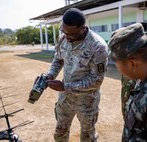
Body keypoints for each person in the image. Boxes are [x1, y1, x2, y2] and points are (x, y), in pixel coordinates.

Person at [45, 8, 108, 142]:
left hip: (87, 103)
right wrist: (50, 75)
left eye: (71, 34)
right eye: (64, 31)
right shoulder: (63, 38)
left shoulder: (98, 46)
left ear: (83, 28)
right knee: (59, 134)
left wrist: (66, 87)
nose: (67, 37)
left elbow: (96, 80)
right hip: (65, 100)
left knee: (87, 137)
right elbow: (58, 59)